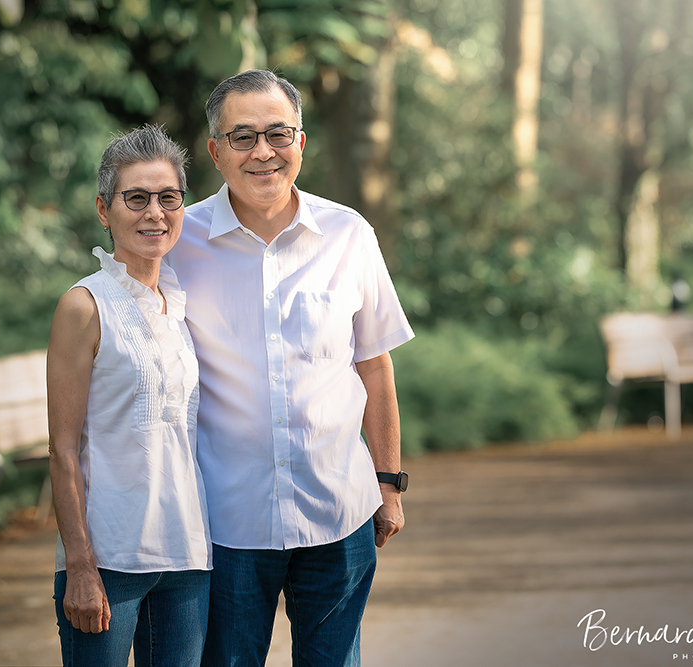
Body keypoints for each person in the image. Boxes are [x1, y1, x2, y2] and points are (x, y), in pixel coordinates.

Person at [166, 70, 415, 667]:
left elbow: (374, 367)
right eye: (243, 136)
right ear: (215, 151)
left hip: (339, 510)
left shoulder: (348, 233)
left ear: (301, 141)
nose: (263, 152)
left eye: (278, 133)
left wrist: (389, 484)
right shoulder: (179, 239)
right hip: (227, 520)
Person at [47, 124, 211, 667]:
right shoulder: (84, 306)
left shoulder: (180, 304)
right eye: (136, 198)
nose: (154, 213)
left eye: (168, 198)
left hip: (186, 555)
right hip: (109, 559)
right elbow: (63, 450)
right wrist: (80, 566)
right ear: (104, 209)